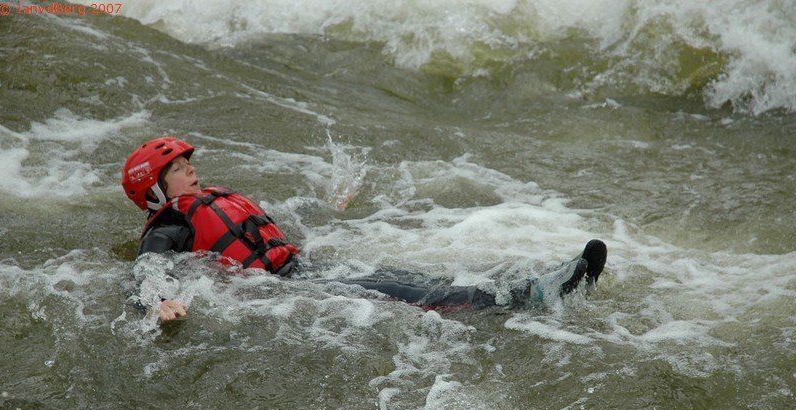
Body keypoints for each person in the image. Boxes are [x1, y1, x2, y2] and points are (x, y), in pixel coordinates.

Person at [123, 137, 607, 321]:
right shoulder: (168, 224)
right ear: (158, 190)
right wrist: (158, 302)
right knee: (407, 294)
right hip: (278, 289)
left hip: (302, 271)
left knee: (418, 281)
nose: (190, 170)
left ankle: (524, 290)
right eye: (179, 169)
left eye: (188, 163)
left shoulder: (208, 200)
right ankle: (532, 297)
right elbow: (148, 267)